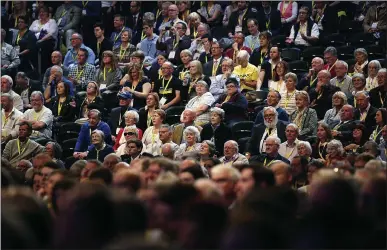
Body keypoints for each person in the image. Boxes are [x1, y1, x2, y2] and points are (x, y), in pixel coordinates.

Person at [29, 6, 57, 74]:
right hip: (35, 41)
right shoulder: (35, 22)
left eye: (44, 12)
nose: (41, 13)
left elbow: (51, 34)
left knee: (41, 45)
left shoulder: (52, 21)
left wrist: (41, 40)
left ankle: (42, 71)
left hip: (48, 41)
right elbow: (29, 32)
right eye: (40, 12)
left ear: (47, 13)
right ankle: (33, 68)